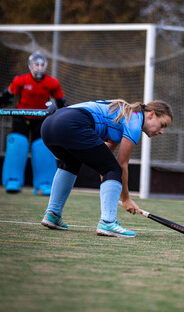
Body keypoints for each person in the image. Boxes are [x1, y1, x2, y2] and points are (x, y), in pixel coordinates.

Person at [40, 99, 173, 238]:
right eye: (162, 125)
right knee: (114, 169)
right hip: (72, 124)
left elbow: (104, 161)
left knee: (71, 162)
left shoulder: (122, 116)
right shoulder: (134, 122)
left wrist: (111, 190)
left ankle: (52, 214)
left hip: (49, 125)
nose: (162, 131)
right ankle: (108, 223)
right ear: (151, 114)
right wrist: (126, 199)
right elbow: (120, 165)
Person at [0, 51, 66, 194]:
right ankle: (13, 180)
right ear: (31, 65)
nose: (39, 67)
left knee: (42, 147)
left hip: (42, 119)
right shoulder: (20, 80)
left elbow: (61, 102)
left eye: (42, 64)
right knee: (17, 144)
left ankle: (45, 183)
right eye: (36, 64)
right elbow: (8, 96)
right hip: (21, 117)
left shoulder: (52, 83)